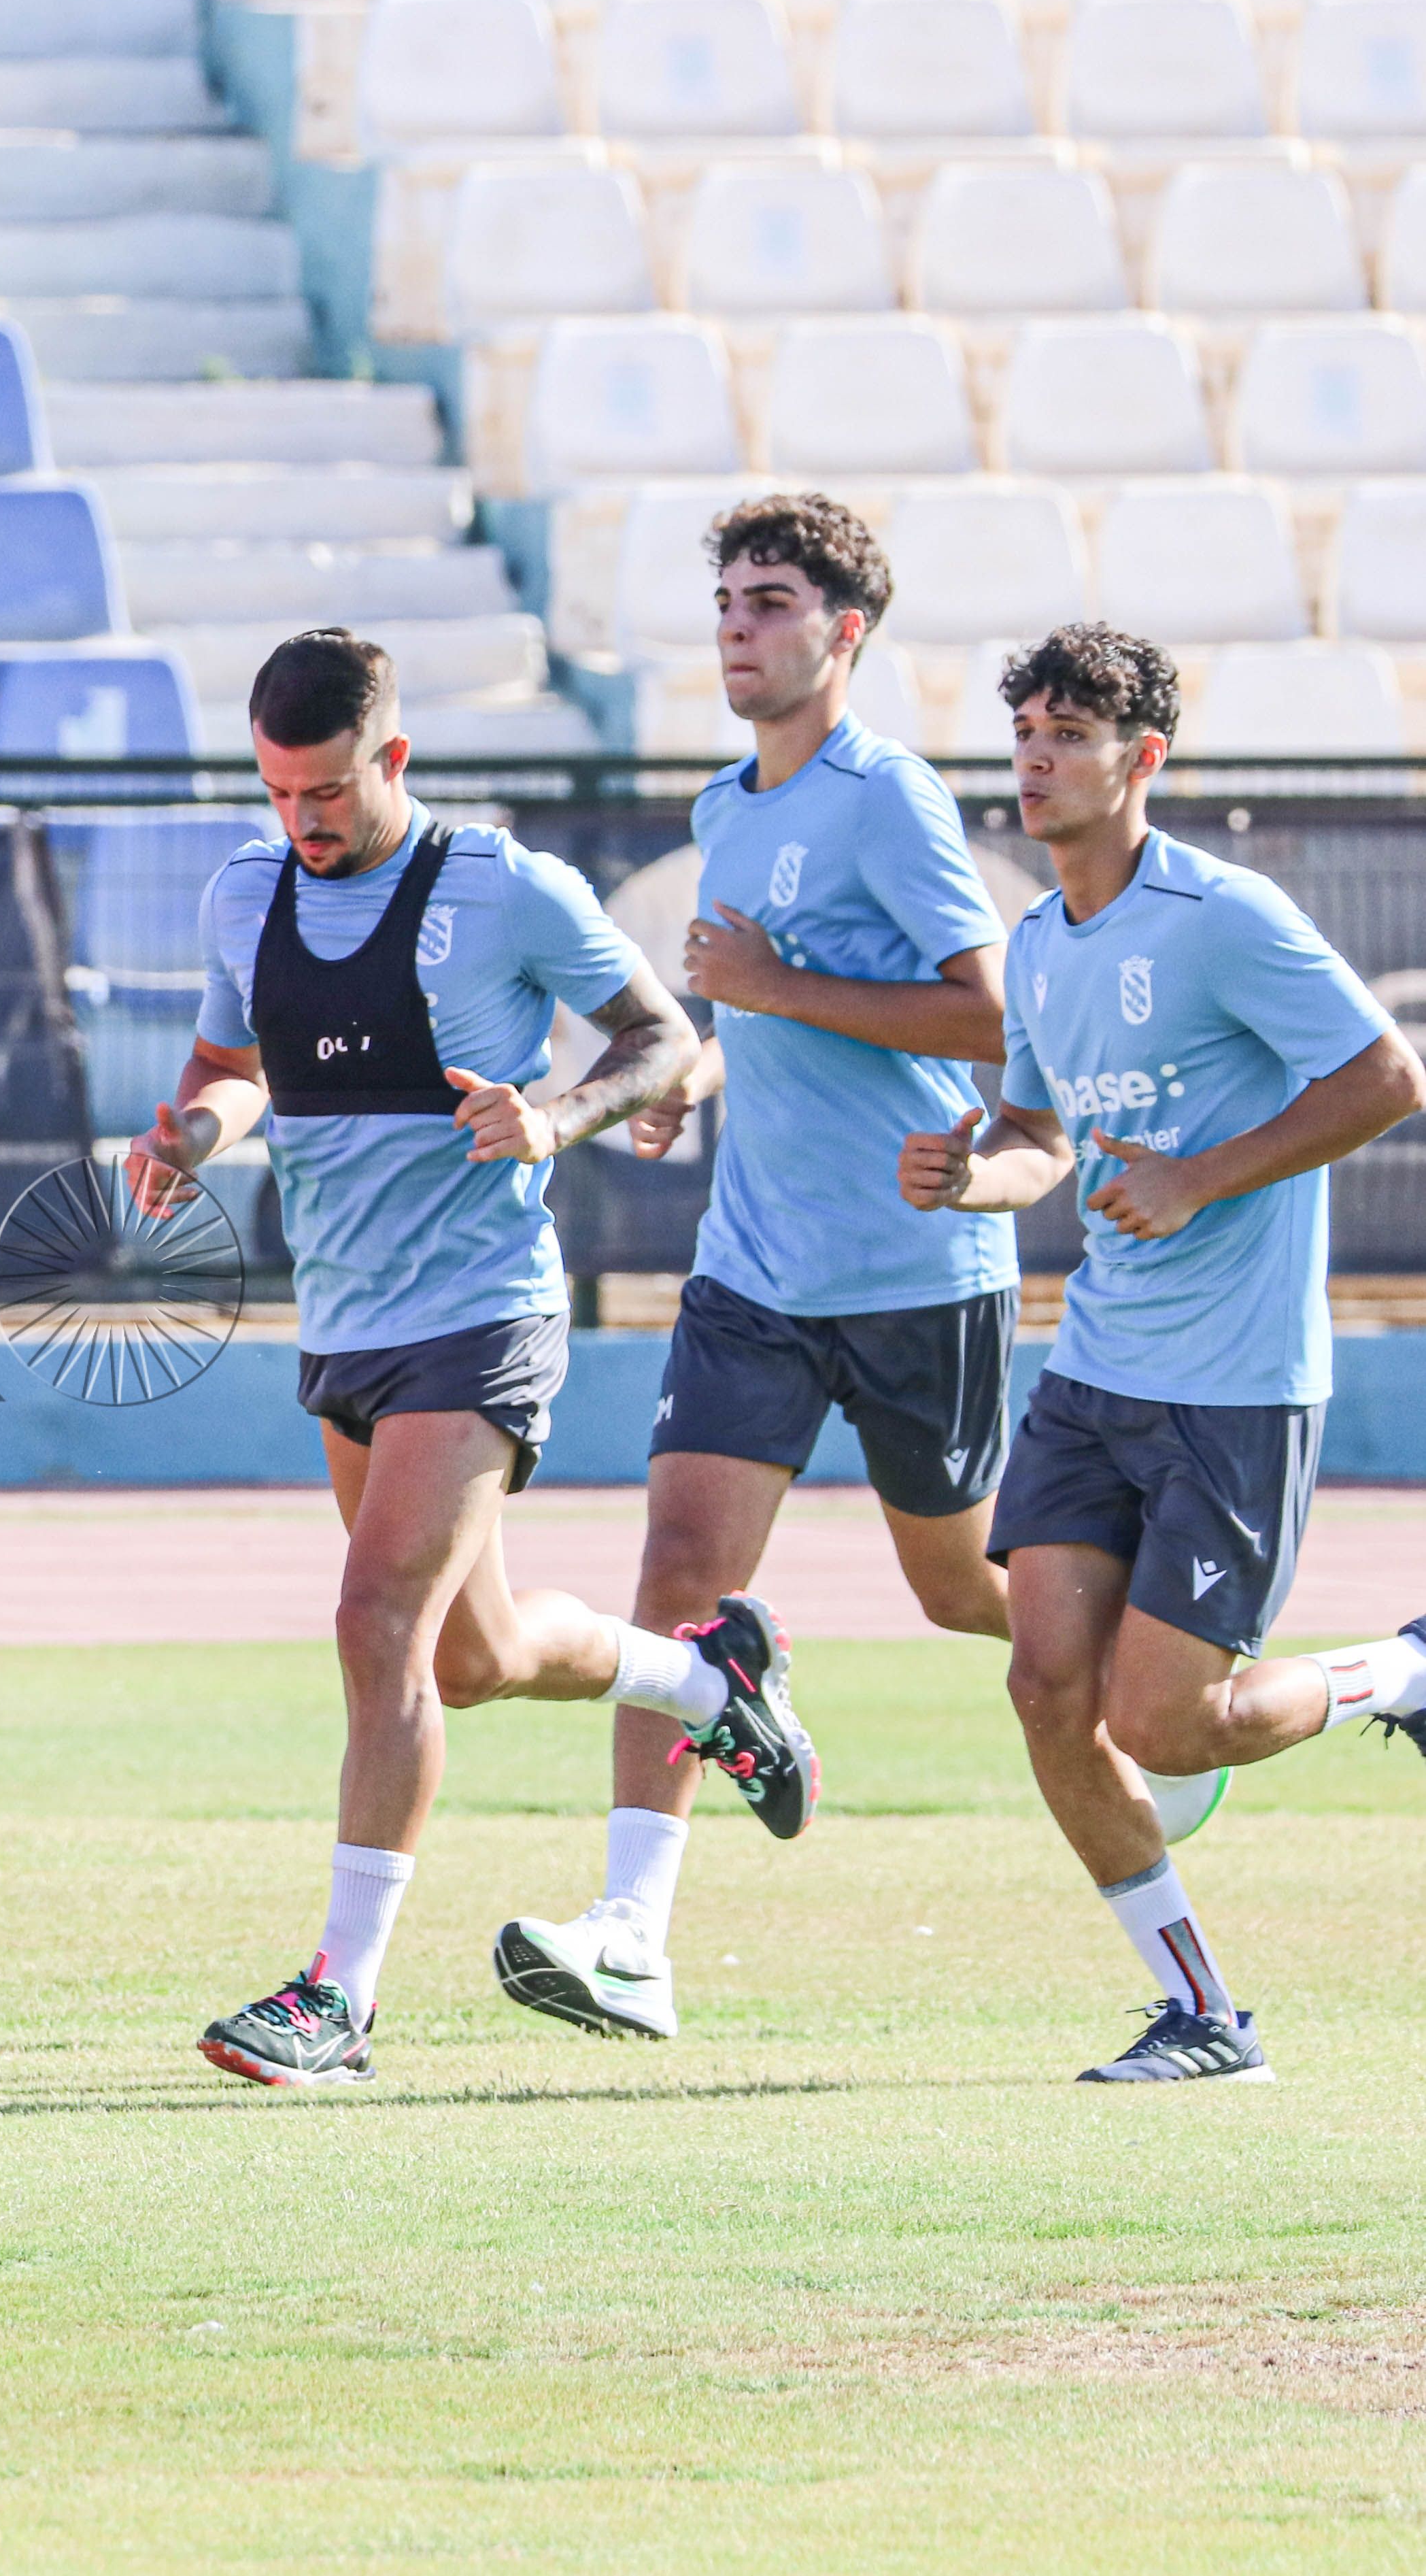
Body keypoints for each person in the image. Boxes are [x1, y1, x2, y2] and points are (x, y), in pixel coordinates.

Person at [131, 629, 808, 2090]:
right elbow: (234, 1070)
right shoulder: (242, 890)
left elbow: (660, 1040)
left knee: (377, 1617)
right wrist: (189, 1137)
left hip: (482, 1307)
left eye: (322, 792)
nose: (299, 823)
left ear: (393, 760)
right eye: (275, 793)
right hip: (347, 1319)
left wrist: (555, 1117)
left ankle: (340, 1998)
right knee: (469, 1653)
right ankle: (702, 1684)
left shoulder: (501, 888)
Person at [494, 495, 1020, 2042]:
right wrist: (693, 1081)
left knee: (967, 1591)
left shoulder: (889, 799)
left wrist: (777, 985)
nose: (737, 624)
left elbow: (991, 1018)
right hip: (756, 1273)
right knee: (676, 1577)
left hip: (917, 1267)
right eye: (725, 598)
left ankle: (1175, 1683)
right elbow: (763, 1019)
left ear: (842, 632)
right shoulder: (728, 807)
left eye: (771, 600)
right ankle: (632, 1937)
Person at [896, 624, 1426, 2085]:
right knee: (1045, 1687)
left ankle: (1398, 1674)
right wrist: (973, 1178)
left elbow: (1388, 1076)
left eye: (1067, 736)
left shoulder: (1222, 913)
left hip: (1238, 1384)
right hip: (1095, 1374)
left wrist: (1205, 1175)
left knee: (1167, 1725)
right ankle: (1200, 2012)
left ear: (1143, 760)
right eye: (1023, 736)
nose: (1035, 762)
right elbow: (1039, 1138)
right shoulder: (1034, 943)